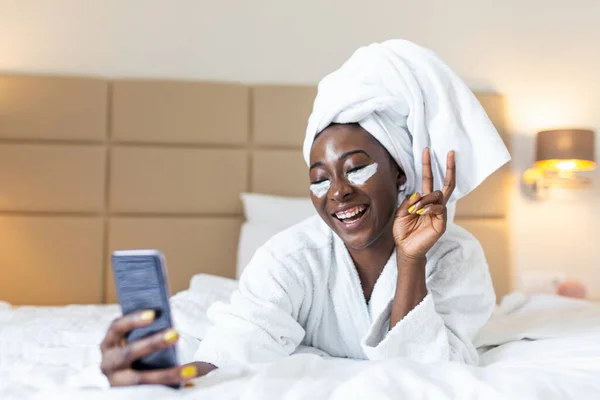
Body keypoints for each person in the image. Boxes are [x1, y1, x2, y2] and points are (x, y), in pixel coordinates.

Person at [100, 39, 510, 387]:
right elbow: (235, 351)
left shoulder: (455, 255)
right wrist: (169, 376)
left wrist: (410, 259)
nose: (337, 191)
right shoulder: (291, 258)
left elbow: (431, 373)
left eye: (357, 168)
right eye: (319, 178)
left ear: (399, 172)